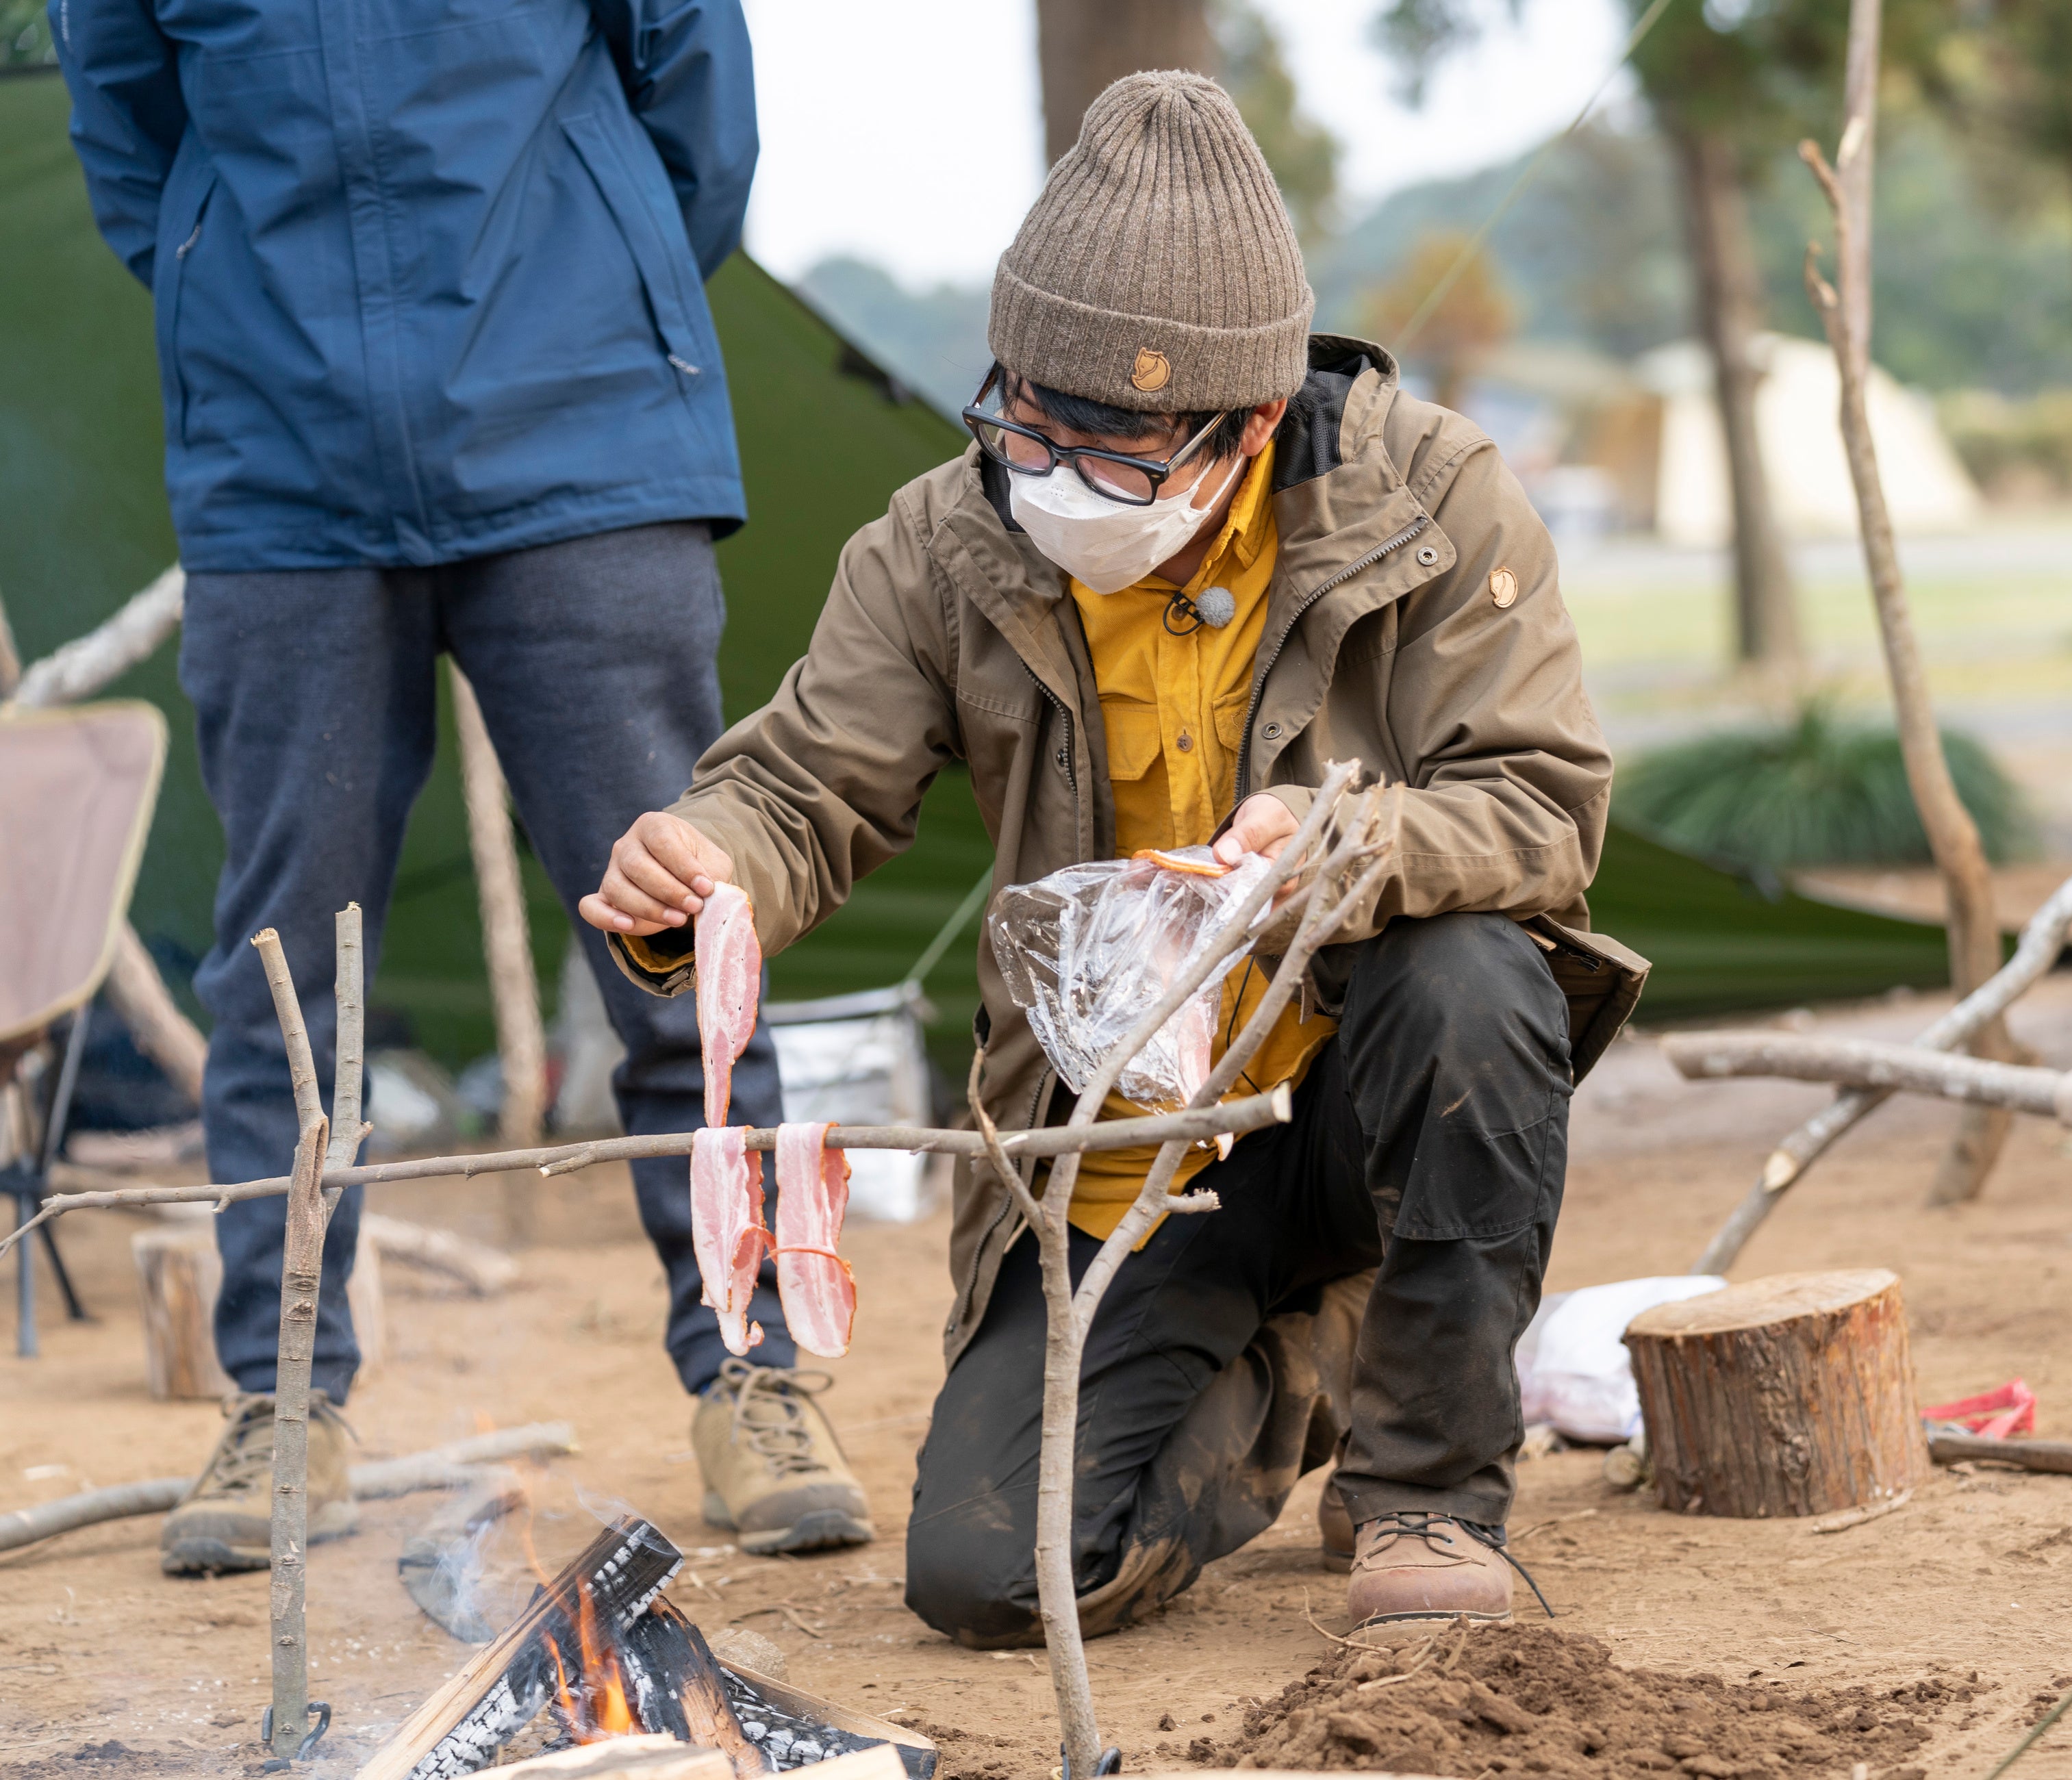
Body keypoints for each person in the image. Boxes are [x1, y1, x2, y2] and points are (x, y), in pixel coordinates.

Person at [585, 71, 1645, 1644]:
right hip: (1127, 1141)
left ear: (1254, 419)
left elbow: (1542, 806)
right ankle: (1326, 1355)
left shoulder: (1429, 500)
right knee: (988, 1576)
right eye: (1029, 415)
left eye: (1124, 447)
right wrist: (705, 862)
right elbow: (807, 784)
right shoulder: (944, 540)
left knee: (1476, 974)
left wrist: (1343, 846)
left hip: (1365, 1088)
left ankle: (1429, 1491)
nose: (1060, 472)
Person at [53, 0, 873, 1573]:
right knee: (284, 961)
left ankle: (753, 1372)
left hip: (584, 433)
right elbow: (128, 132)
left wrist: (593, 288)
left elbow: (695, 95)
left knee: (674, 930)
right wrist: (242, 295)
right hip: (280, 464)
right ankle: (286, 1394)